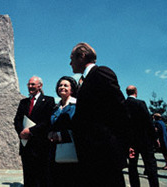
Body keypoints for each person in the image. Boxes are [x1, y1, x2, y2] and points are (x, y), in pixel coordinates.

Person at [69, 42, 130, 186]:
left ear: (82, 56)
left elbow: (120, 109)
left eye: (72, 58)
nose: (70, 63)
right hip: (92, 153)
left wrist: (123, 145)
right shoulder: (85, 81)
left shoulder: (101, 73)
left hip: (104, 152)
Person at [14, 76, 55, 187]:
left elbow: (47, 121)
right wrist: (21, 133)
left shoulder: (49, 100)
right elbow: (17, 119)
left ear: (40, 86)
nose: (30, 87)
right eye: (29, 84)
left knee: (41, 176)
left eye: (33, 84)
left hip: (41, 145)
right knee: (28, 176)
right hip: (26, 144)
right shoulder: (23, 102)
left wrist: (30, 131)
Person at [125, 85, 159, 187]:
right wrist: (155, 137)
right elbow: (148, 122)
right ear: (136, 91)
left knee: (132, 166)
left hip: (131, 141)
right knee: (150, 165)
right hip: (144, 139)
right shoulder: (140, 103)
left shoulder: (123, 105)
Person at [48, 76, 78, 187]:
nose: (62, 87)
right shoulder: (55, 108)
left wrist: (60, 136)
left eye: (66, 85)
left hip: (71, 152)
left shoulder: (76, 106)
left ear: (72, 89)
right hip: (55, 151)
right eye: (60, 85)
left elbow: (78, 128)